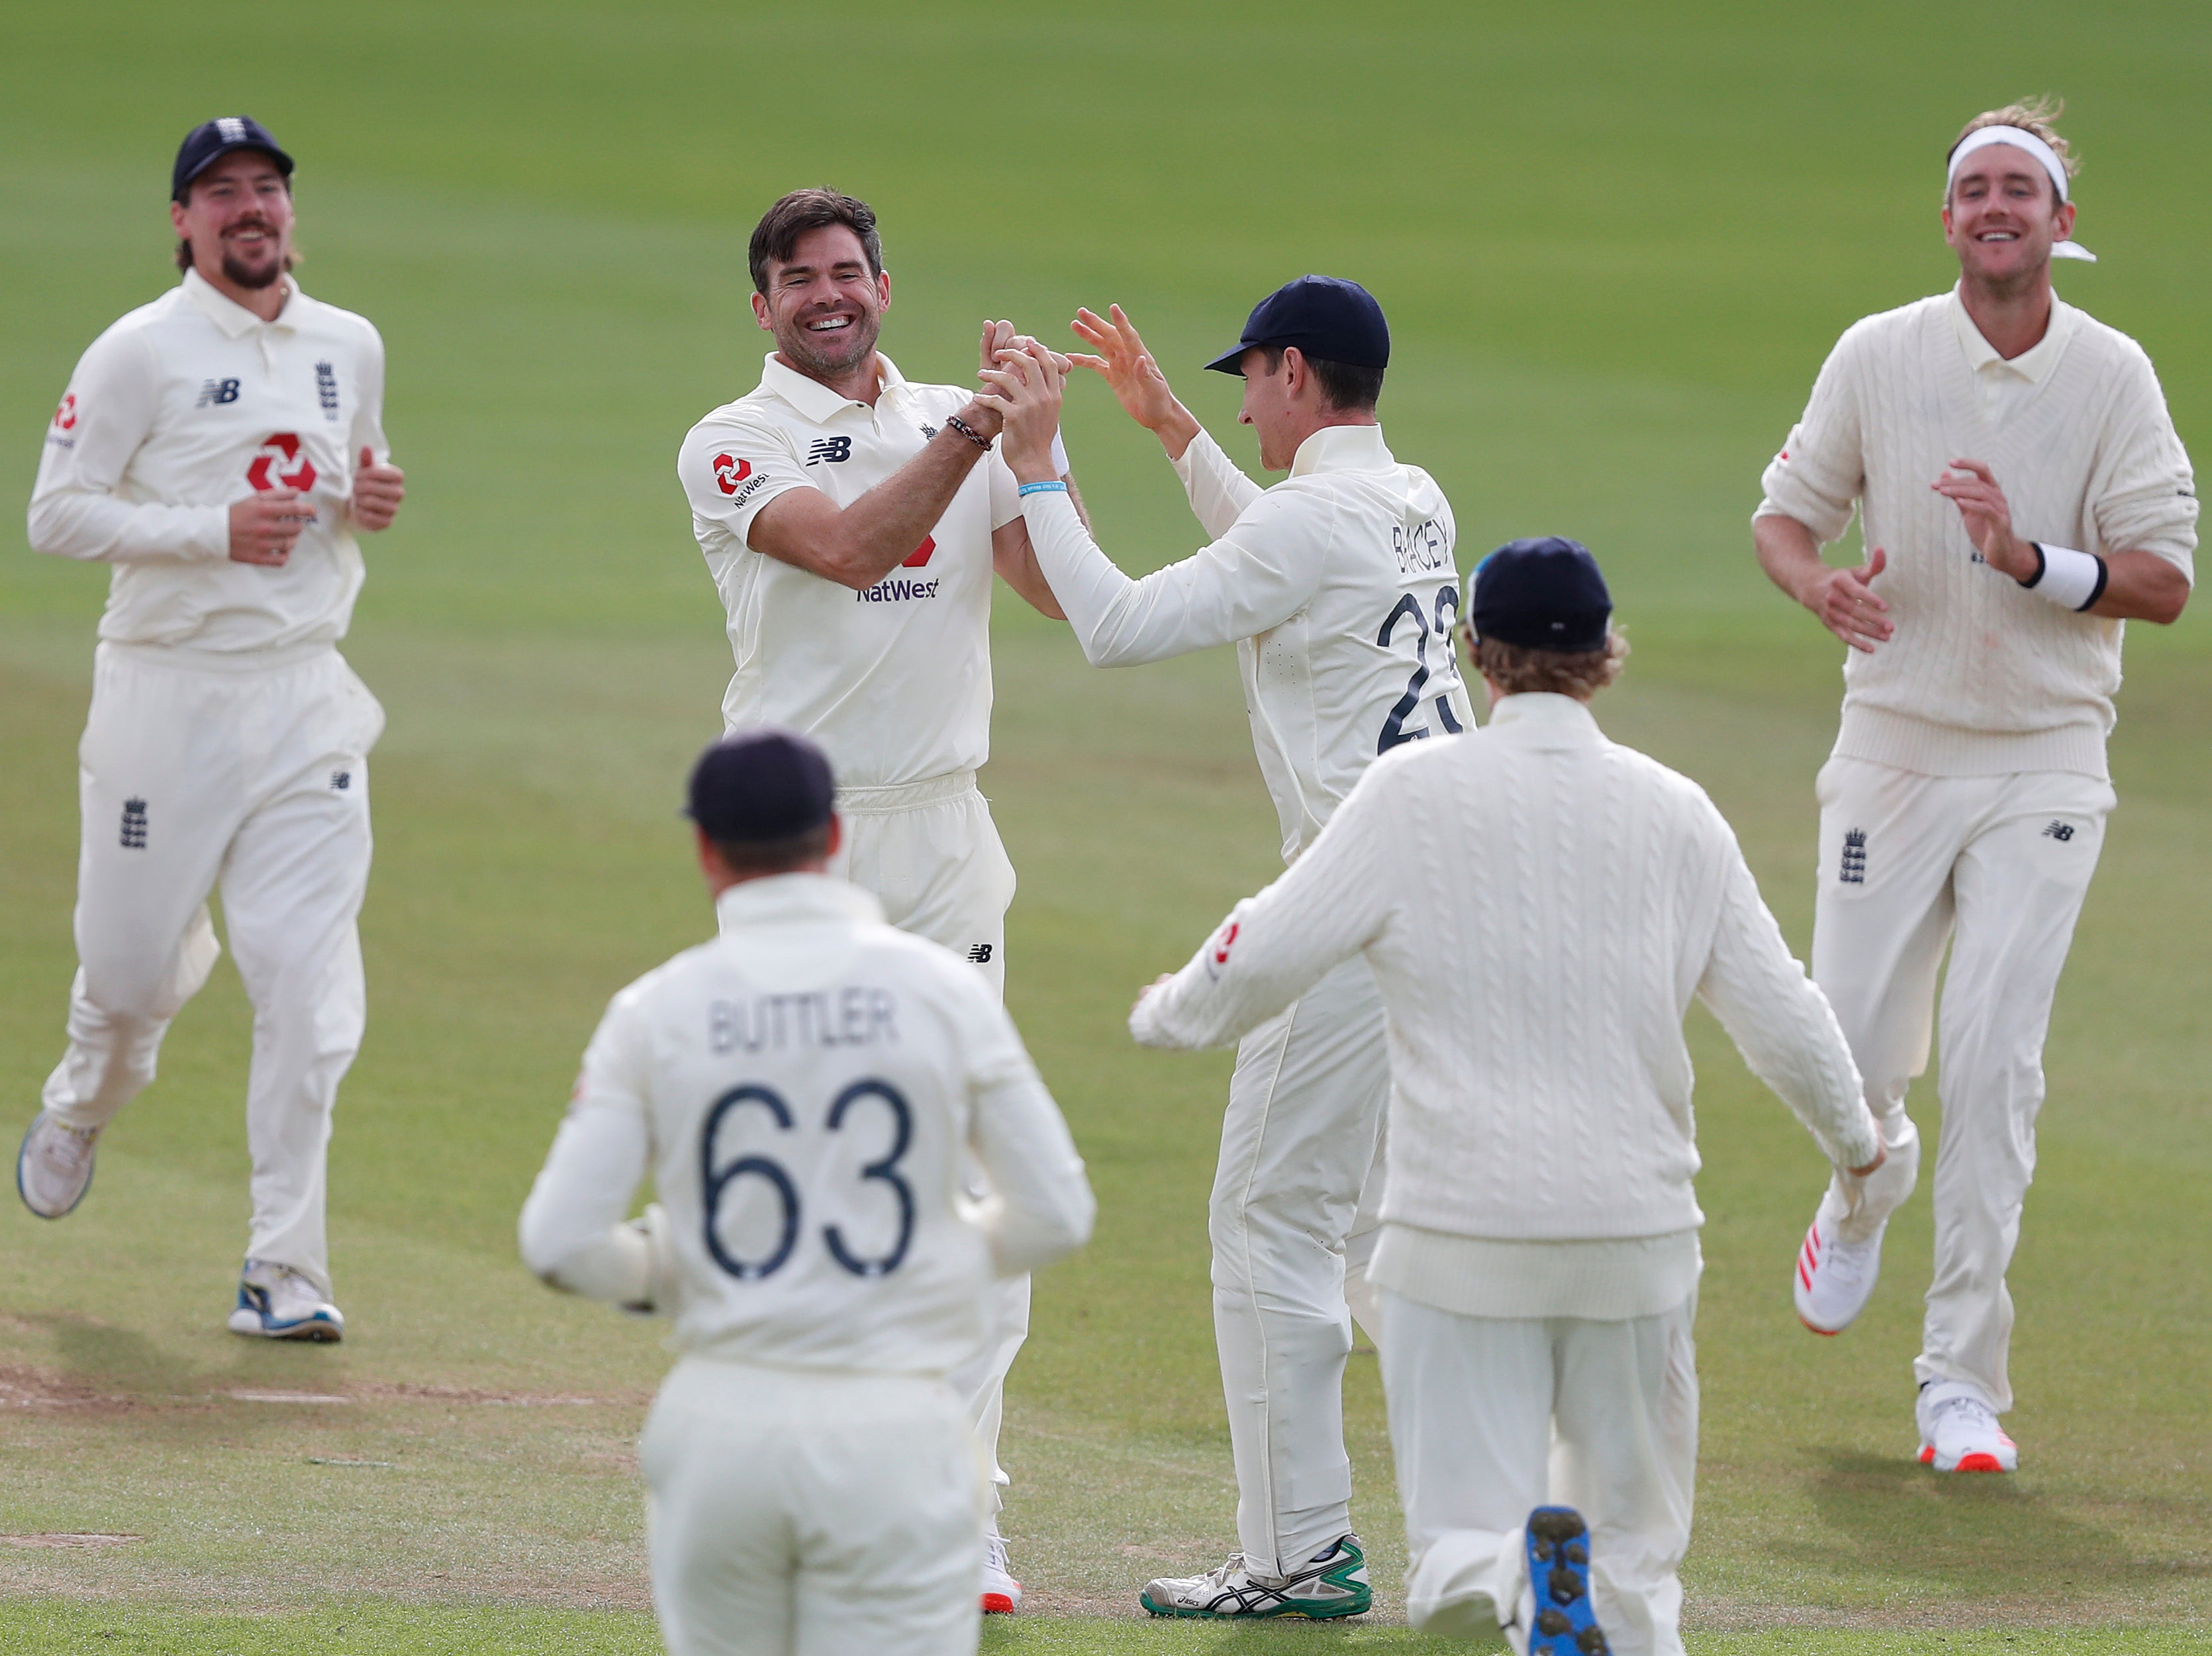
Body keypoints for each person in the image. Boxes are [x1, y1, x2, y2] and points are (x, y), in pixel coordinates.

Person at [1128, 539, 1883, 1656]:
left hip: (1454, 1242)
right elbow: (1786, 1017)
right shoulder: (1677, 813)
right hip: (1632, 1233)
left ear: (1475, 651)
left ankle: (1486, 1563)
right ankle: (1583, 1589)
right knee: (1629, 1557)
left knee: (1463, 1517)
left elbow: (1260, 949)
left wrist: (1170, 1012)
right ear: (1606, 655)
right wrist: (1855, 1146)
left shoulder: (1409, 792)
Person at [975, 279, 1474, 1620]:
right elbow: (1288, 555)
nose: (1244, 398)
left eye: (1250, 378)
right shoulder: (1410, 496)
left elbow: (1120, 626)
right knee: (1370, 1230)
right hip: (1448, 903)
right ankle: (1474, 1519)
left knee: (1269, 1221)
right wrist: (1173, 431)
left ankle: (1299, 1554)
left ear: (1298, 373)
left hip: (1354, 911)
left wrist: (1041, 467)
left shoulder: (1319, 516)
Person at [1753, 99, 2195, 1474]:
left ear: (2064, 225)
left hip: (2048, 759)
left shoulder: (2115, 376)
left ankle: (1960, 1386)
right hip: (1894, 746)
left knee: (2001, 1068)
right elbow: (1785, 516)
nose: (1997, 207)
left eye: (2023, 190)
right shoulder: (1879, 354)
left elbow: (2166, 580)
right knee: (1851, 1058)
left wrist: (2025, 561)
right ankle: (1863, 1177)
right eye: (1975, 190)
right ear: (1948, 221)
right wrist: (1815, 580)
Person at [673, 188, 1078, 1610]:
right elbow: (846, 550)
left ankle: (961, 1516)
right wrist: (974, 437)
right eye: (800, 280)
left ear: (884, 287)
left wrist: (1037, 453)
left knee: (970, 1183)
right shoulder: (732, 443)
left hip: (947, 834)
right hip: (800, 852)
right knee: (814, 1170)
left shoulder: (963, 417)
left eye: (848, 273)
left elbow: (1050, 593)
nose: (827, 296)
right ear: (765, 305)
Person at [520, 729, 1093, 1656]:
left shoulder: (653, 1008)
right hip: (897, 1434)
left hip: (719, 1429)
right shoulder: (942, 989)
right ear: (831, 836)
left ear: (705, 848)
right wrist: (923, 1252)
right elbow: (1056, 1213)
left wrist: (678, 1264)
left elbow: (561, 1242)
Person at [17, 117, 407, 1343]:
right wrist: (206, 529)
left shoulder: (348, 342)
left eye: (269, 189)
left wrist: (366, 496)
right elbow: (55, 515)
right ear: (182, 220)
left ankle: (283, 1265)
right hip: (165, 693)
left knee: (307, 991)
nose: (251, 208)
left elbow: (335, 478)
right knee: (129, 973)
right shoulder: (141, 351)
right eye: (222, 192)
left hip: (302, 696)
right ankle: (83, 1100)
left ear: (292, 212)